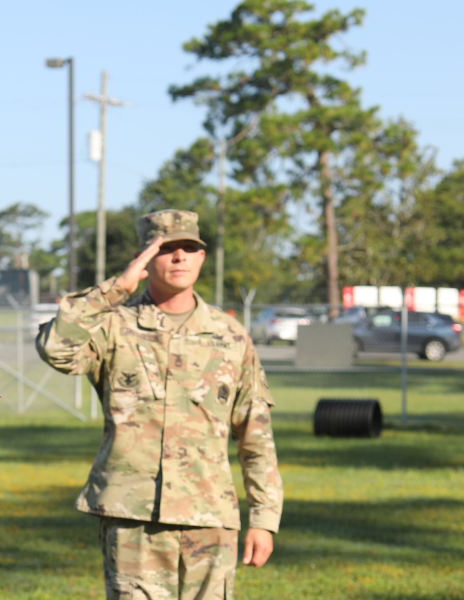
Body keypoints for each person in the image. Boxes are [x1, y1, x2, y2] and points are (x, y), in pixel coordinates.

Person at [36, 209, 282, 600]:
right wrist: (117, 288)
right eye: (166, 249)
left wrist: (264, 518)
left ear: (202, 257)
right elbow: (55, 348)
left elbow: (256, 435)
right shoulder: (114, 325)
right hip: (134, 518)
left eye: (189, 248)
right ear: (145, 259)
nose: (180, 257)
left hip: (210, 518)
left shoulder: (231, 338)